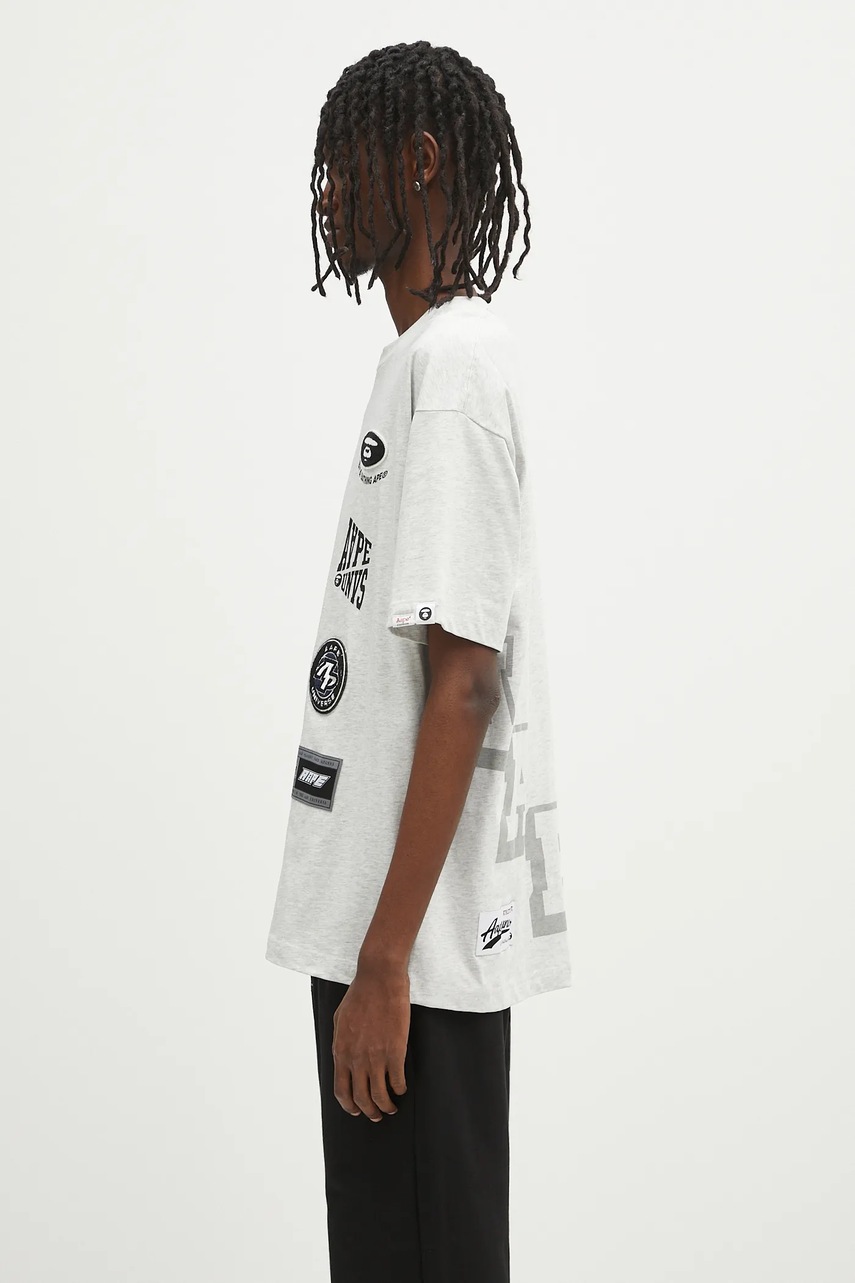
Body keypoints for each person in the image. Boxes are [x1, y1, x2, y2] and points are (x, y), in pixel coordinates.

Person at [265, 39, 572, 1283]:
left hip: (416, 963)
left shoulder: (449, 372)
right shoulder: (423, 364)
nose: (328, 191)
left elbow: (465, 678)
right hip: (393, 953)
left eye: (346, 160)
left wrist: (386, 958)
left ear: (423, 159)